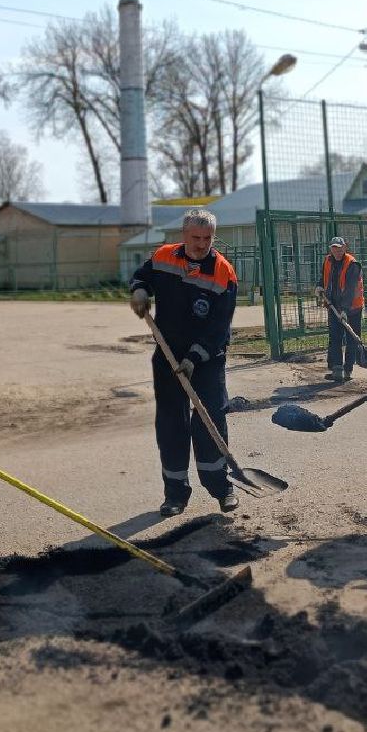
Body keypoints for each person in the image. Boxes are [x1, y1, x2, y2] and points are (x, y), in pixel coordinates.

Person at [129, 208, 240, 516]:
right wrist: (139, 291)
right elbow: (143, 276)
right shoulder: (164, 256)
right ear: (184, 235)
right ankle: (175, 494)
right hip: (167, 355)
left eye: (207, 238)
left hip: (206, 359)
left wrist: (193, 358)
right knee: (170, 425)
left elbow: (220, 328)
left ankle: (222, 488)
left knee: (209, 420)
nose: (201, 244)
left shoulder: (223, 273)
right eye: (196, 238)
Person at [315, 235, 365, 382]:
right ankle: (337, 370)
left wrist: (344, 310)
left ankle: (348, 370)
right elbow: (323, 276)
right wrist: (319, 286)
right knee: (335, 337)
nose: (337, 251)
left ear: (345, 248)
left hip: (353, 308)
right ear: (331, 249)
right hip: (333, 305)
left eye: (339, 248)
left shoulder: (353, 264)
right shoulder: (328, 260)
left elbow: (350, 289)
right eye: (334, 248)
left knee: (351, 338)